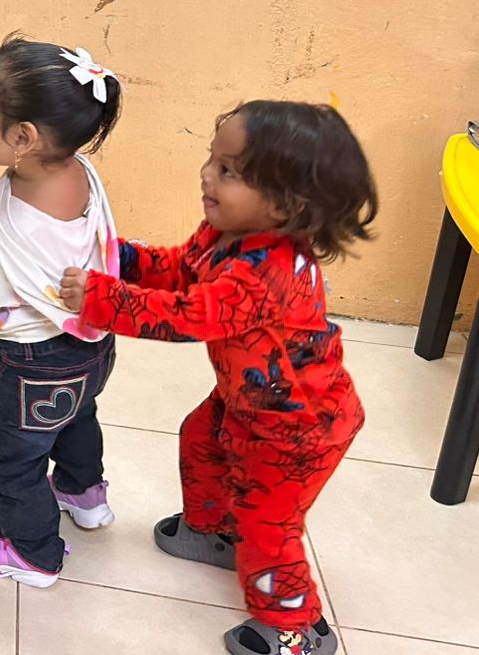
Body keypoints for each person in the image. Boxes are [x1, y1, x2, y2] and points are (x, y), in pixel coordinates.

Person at [59, 101, 375, 655]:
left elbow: (188, 317)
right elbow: (181, 270)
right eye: (212, 158)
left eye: (228, 171)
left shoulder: (268, 272)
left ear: (286, 204)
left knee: (267, 525)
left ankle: (296, 628)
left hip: (299, 428)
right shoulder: (226, 232)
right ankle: (212, 532)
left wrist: (103, 299)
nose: (206, 174)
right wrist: (122, 258)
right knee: (202, 439)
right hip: (250, 396)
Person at [0, 40, 123, 588]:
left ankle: (31, 552)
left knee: (9, 456)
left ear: (23, 137)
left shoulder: (13, 227)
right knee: (76, 420)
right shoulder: (71, 171)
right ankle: (84, 494)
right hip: (90, 348)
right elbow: (34, 235)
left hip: (30, 363)